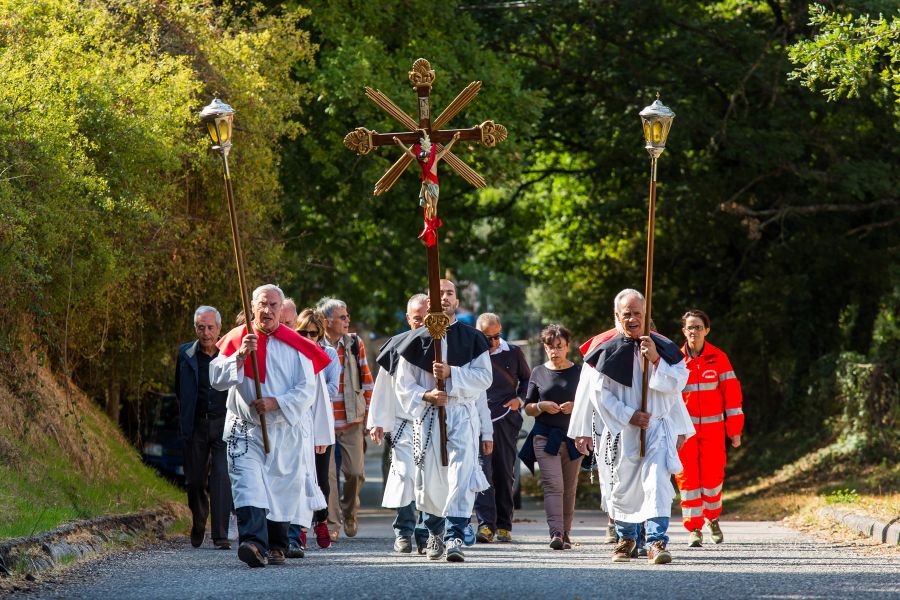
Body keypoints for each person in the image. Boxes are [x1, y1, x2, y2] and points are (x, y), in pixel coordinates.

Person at [210, 284, 332, 568]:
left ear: (281, 308)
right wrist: (240, 355)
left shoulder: (296, 344)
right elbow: (216, 379)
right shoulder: (238, 338)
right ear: (252, 307)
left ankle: (276, 545)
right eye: (262, 304)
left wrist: (277, 402)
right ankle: (252, 542)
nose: (267, 310)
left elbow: (306, 389)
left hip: (282, 429)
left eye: (273, 305)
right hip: (245, 429)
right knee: (248, 485)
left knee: (280, 489)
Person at [570, 289, 694, 565]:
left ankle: (656, 542)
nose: (633, 318)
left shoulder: (663, 347)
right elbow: (598, 394)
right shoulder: (605, 351)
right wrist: (629, 415)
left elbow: (678, 383)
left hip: (657, 431)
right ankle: (626, 540)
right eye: (627, 314)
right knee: (623, 487)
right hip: (623, 431)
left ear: (646, 315)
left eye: (638, 313)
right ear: (617, 316)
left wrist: (656, 360)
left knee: (657, 483)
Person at [393, 279, 493, 563]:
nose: (444, 298)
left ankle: (455, 535)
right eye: (438, 294)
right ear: (429, 301)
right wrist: (427, 395)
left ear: (457, 301)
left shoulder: (473, 338)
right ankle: (435, 532)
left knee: (460, 474)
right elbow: (403, 385)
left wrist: (452, 373)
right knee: (431, 478)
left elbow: (485, 378)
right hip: (427, 418)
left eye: (449, 293)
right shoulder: (414, 341)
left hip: (461, 413)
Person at [367, 293, 430, 554]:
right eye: (417, 319)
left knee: (429, 480)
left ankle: (426, 532)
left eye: (427, 318)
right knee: (404, 477)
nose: (422, 323)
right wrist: (378, 421)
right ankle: (404, 531)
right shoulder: (396, 345)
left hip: (433, 423)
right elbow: (383, 385)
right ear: (408, 319)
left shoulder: (443, 346)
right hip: (404, 425)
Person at [675, 309, 744, 547]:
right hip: (684, 433)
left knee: (713, 478)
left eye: (698, 327)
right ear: (684, 331)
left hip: (714, 432)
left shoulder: (719, 358)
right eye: (690, 327)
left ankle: (712, 518)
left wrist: (734, 431)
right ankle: (694, 528)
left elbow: (733, 397)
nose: (694, 331)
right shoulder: (675, 360)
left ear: (707, 330)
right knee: (687, 480)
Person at [519, 324, 581, 550]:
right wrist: (542, 406)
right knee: (553, 484)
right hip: (544, 436)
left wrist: (575, 406)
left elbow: (590, 405)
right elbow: (528, 408)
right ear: (545, 348)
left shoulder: (579, 372)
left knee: (569, 487)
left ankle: (566, 533)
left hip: (574, 438)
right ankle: (555, 533)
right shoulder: (538, 372)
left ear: (567, 347)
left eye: (559, 347)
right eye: (550, 347)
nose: (555, 351)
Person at [174, 305, 232, 550]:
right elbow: (179, 388)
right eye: (201, 327)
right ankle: (199, 521)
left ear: (219, 328)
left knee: (221, 476)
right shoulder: (185, 353)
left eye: (210, 327)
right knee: (195, 481)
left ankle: (220, 535)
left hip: (223, 423)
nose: (206, 332)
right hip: (196, 424)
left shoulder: (229, 353)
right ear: (195, 328)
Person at [317, 297, 374, 541]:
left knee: (355, 473)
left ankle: (350, 511)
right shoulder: (315, 344)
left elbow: (367, 379)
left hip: (352, 420)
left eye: (347, 316)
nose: (347, 320)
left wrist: (370, 416)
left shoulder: (354, 343)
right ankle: (332, 524)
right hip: (325, 422)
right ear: (327, 321)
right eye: (343, 317)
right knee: (328, 478)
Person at [285, 308, 341, 555]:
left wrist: (321, 435)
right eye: (302, 332)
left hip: (319, 420)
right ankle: (299, 530)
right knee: (298, 478)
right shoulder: (292, 354)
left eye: (313, 332)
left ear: (320, 334)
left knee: (321, 479)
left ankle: (321, 520)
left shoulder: (326, 355)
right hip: (294, 422)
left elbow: (329, 390)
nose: (308, 336)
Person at [474, 312, 530, 544]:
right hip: (478, 419)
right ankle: (486, 525)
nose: (494, 342)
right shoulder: (471, 354)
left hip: (506, 418)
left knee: (504, 471)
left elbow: (528, 381)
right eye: (488, 338)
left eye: (497, 336)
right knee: (482, 472)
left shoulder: (514, 352)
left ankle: (505, 525)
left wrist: (520, 400)